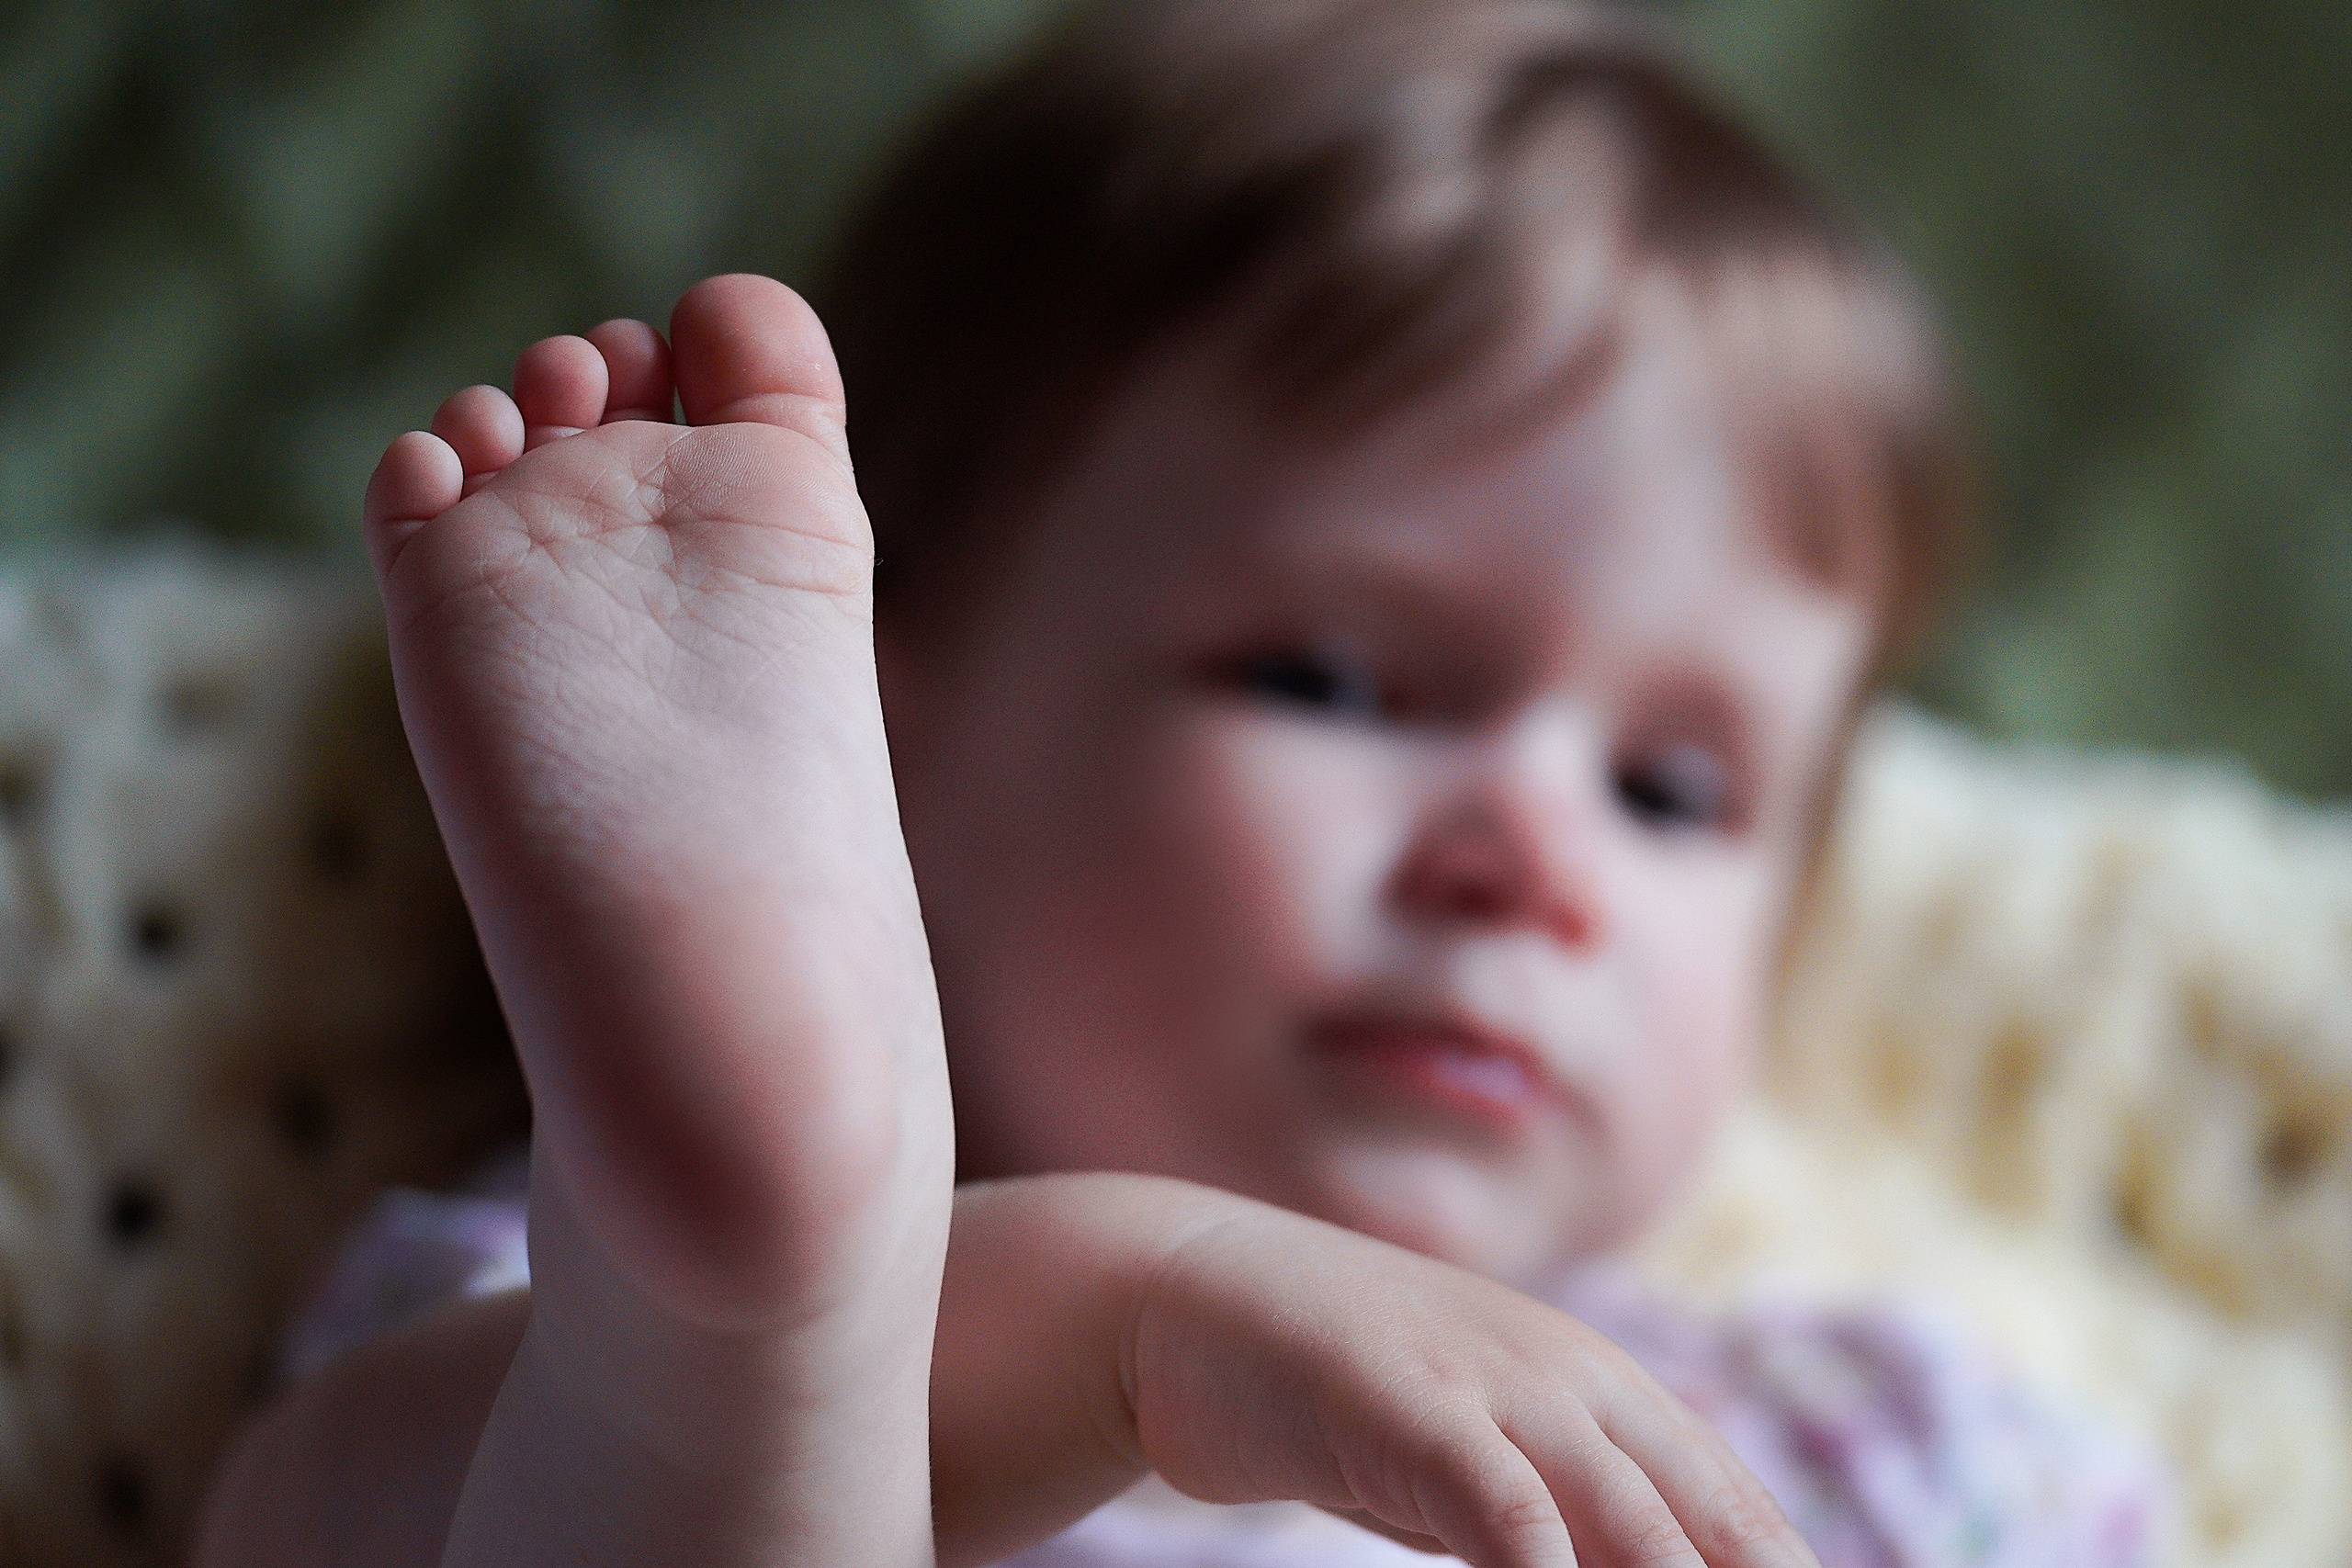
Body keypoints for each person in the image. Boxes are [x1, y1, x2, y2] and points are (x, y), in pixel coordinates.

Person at [197, 2, 2157, 1564]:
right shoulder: (559, 1256)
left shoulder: (1871, 1444)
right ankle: (755, 1361)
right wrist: (1105, 1307)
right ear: (883, 719)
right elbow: (295, 1528)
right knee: (606, 1426)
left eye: (1668, 790)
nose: (1531, 858)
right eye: (1325, 676)